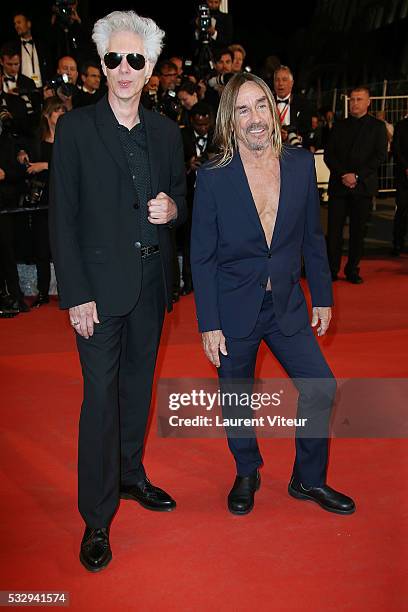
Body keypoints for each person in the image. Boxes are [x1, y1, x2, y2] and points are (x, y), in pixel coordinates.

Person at [49, 10, 186, 572]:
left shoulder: (166, 132)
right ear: (101, 65)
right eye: (113, 59)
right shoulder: (77, 129)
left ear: (150, 67)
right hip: (98, 294)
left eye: (135, 59)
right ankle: (96, 518)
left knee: (137, 391)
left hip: (152, 285)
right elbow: (63, 216)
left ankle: (131, 475)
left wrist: (174, 209)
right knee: (100, 402)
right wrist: (75, 293)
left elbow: (181, 196)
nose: (124, 69)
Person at [191, 72, 355, 517]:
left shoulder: (301, 166)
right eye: (243, 109)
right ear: (231, 119)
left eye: (260, 105)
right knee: (237, 396)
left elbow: (312, 240)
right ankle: (247, 470)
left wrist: (322, 296)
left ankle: (308, 479)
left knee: (320, 386)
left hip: (286, 303)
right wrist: (208, 323)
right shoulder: (213, 177)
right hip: (233, 306)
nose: (255, 118)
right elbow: (201, 257)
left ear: (274, 110)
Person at [324, 87, 388, 283]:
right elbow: (329, 155)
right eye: (352, 99)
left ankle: (352, 270)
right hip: (339, 185)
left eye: (359, 99)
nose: (354, 103)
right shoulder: (339, 126)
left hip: (363, 187)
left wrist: (357, 176)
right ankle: (331, 269)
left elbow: (380, 156)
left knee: (358, 232)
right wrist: (344, 174)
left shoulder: (378, 127)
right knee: (333, 231)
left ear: (368, 102)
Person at [18, 97, 66, 307]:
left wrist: (45, 165)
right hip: (40, 199)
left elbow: (70, 168)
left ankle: (66, 291)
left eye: (63, 110)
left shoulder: (68, 139)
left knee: (63, 249)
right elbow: (20, 150)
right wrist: (22, 156)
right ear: (47, 115)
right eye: (57, 111)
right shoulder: (36, 141)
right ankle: (43, 292)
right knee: (41, 249)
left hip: (63, 200)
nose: (61, 114)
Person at [273, 65, 313, 146]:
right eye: (277, 80)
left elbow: (307, 132)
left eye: (284, 80)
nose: (280, 83)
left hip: (294, 151)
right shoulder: (266, 103)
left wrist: (295, 137)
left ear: (291, 83)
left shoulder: (303, 104)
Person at [391, 114, 408, 256]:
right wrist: (406, 167)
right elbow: (396, 149)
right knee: (402, 209)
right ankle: (398, 244)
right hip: (403, 176)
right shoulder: (401, 126)